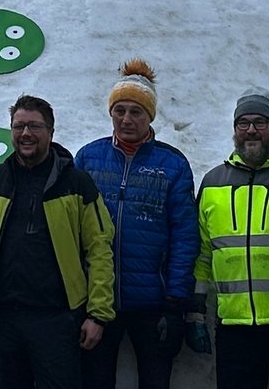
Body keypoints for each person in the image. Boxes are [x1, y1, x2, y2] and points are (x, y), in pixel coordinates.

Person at [0, 95, 116, 389]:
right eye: (19, 126)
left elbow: (99, 249)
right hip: (1, 321)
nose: (26, 133)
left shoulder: (77, 184)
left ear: (51, 133)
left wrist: (98, 314)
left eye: (34, 126)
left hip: (57, 322)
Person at [76, 60, 198, 389]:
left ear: (150, 116)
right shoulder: (88, 158)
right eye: (119, 110)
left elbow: (184, 236)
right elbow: (72, 229)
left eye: (136, 112)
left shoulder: (172, 164)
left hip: (153, 303)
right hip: (98, 301)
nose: (126, 119)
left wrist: (176, 302)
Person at [194, 89, 269, 389]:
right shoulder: (213, 181)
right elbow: (203, 252)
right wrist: (195, 308)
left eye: (260, 122)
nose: (251, 130)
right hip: (233, 327)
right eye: (243, 123)